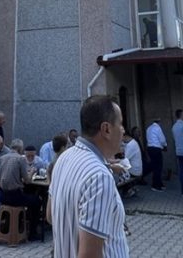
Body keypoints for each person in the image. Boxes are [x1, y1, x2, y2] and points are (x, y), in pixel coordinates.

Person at [49, 95, 129, 257]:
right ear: (106, 129)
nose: (123, 130)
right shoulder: (99, 176)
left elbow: (50, 215)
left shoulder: (63, 158)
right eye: (120, 124)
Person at [0, 139, 43, 241]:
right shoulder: (20, 159)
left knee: (29, 198)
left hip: (3, 196)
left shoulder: (2, 158)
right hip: (15, 197)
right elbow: (27, 181)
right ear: (20, 148)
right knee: (37, 201)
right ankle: (32, 233)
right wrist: (31, 171)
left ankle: (9, 227)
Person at [144, 118, 167, 191]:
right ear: (159, 122)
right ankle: (156, 185)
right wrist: (165, 145)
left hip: (150, 148)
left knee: (154, 167)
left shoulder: (149, 128)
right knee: (158, 167)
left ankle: (159, 183)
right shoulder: (158, 128)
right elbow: (162, 139)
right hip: (156, 149)